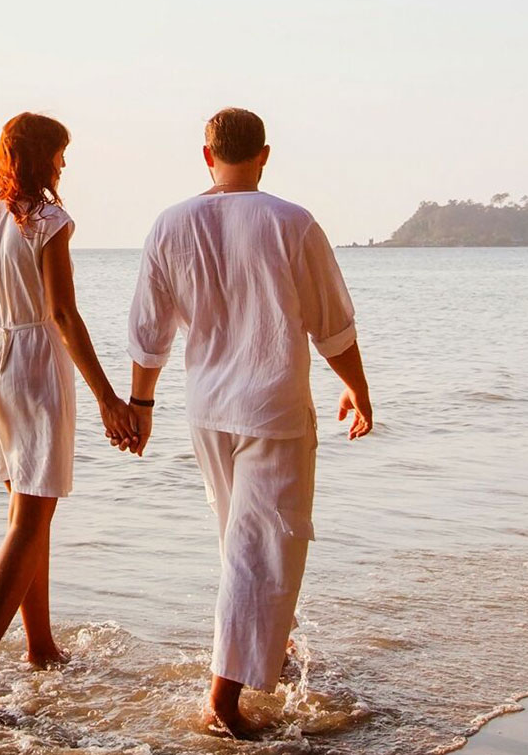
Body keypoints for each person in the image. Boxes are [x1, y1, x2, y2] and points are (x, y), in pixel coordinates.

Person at [121, 107, 374, 737]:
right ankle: (223, 704)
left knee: (241, 541)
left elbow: (147, 334)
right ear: (264, 154)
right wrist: (359, 389)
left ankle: (271, 655)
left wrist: (141, 407)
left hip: (208, 410)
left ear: (206, 155)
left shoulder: (170, 224)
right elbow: (331, 323)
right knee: (262, 550)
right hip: (273, 407)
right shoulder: (292, 222)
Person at [0, 112, 139, 717]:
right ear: (40, 158)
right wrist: (110, 399)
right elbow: (62, 315)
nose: (64, 164)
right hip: (32, 358)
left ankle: (40, 645)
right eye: (60, 153)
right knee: (31, 517)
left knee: (27, 510)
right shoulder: (49, 222)